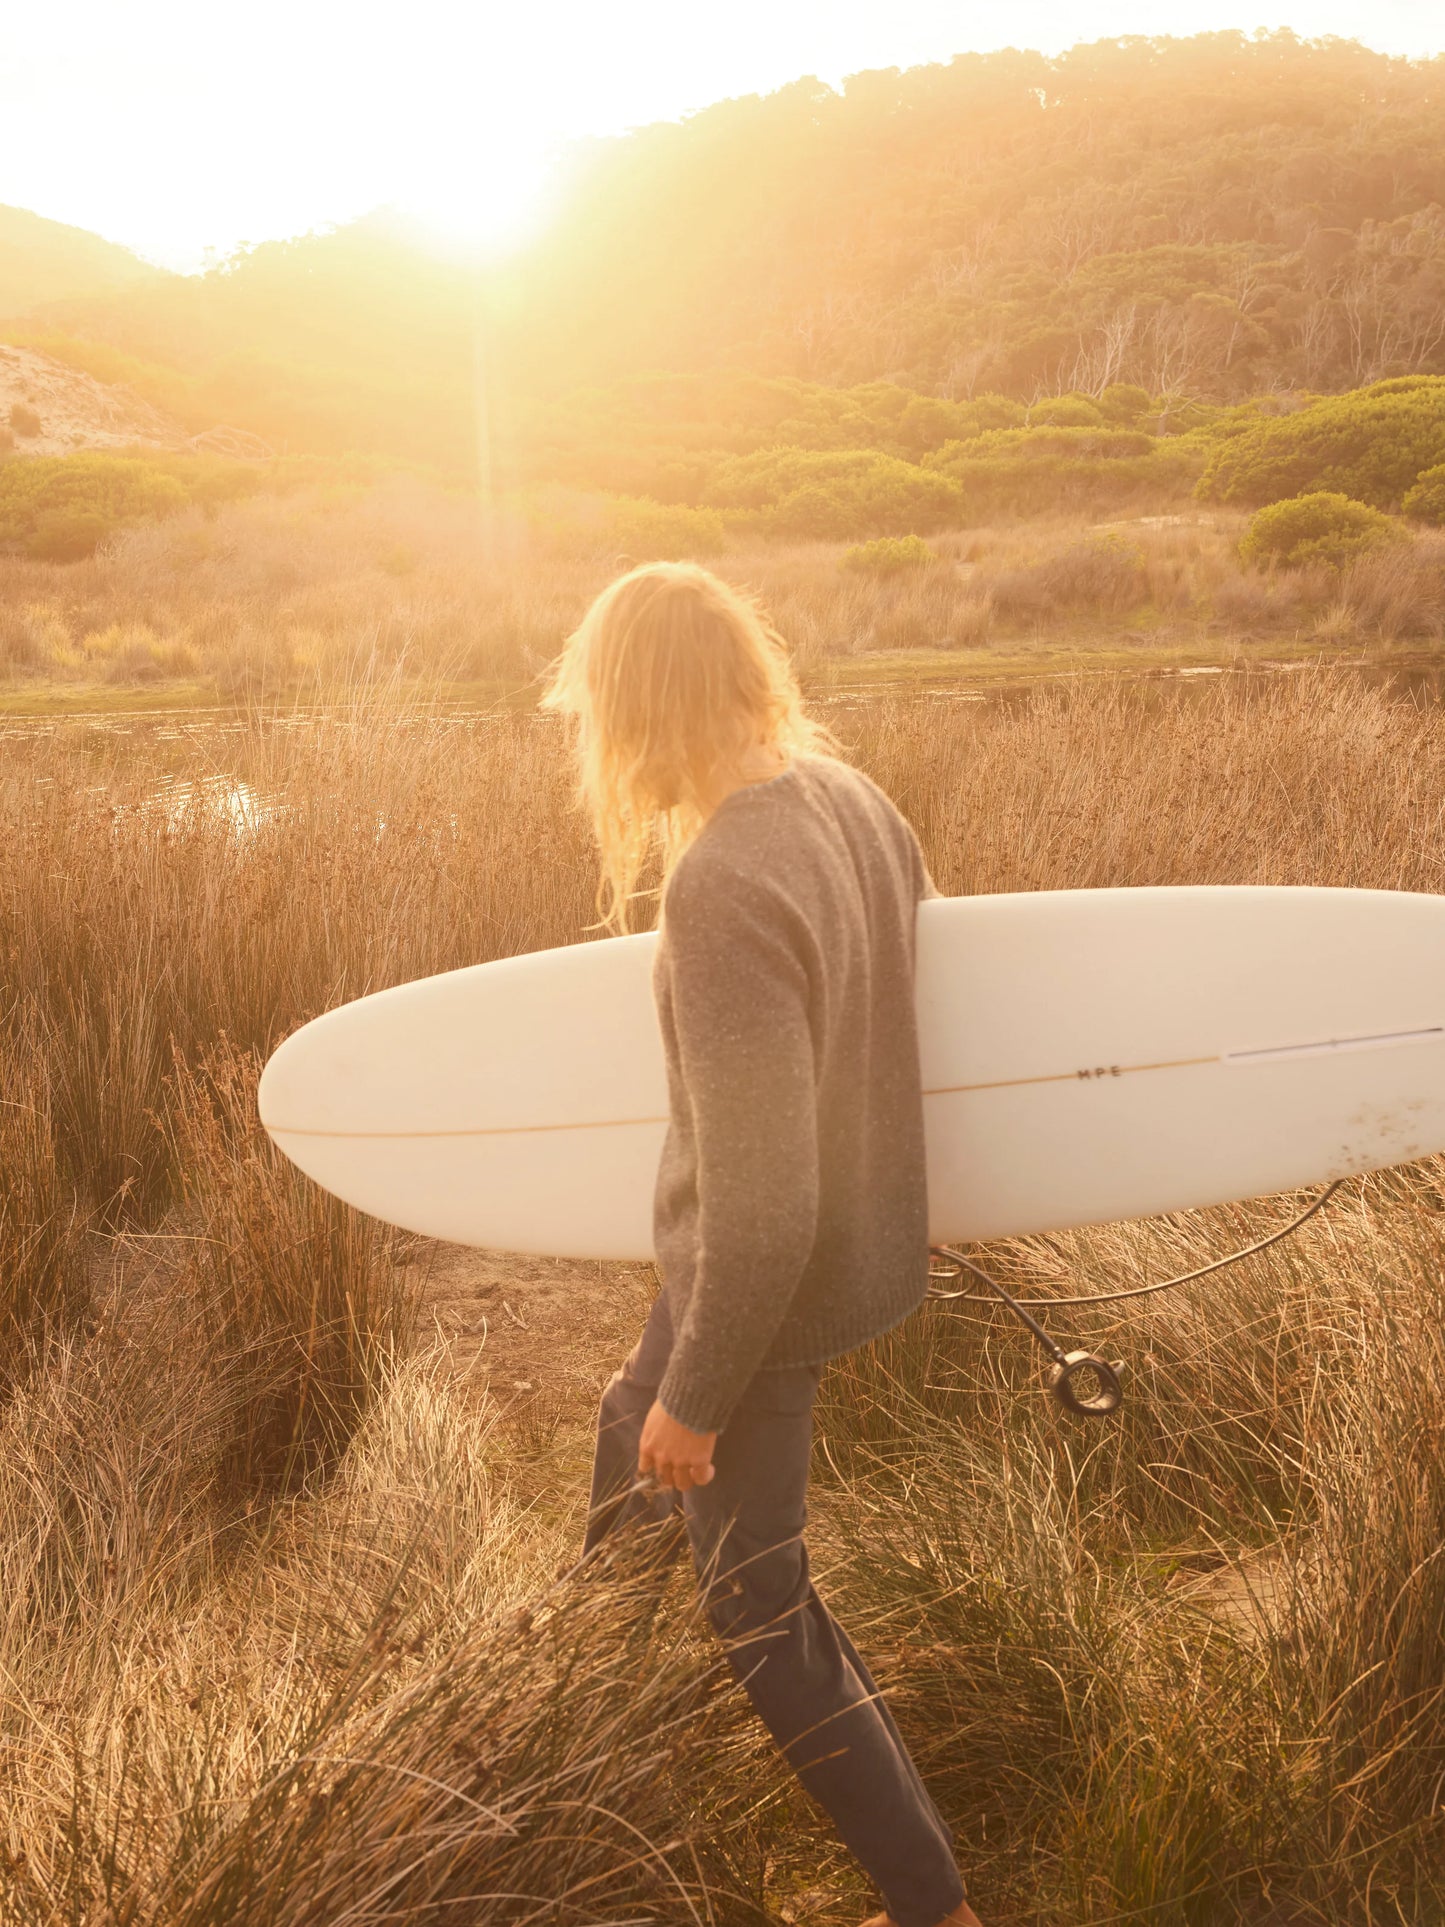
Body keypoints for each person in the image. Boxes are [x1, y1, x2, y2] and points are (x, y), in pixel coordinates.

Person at [543, 562, 983, 1927]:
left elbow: (766, 1202)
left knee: (755, 1610)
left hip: (764, 1293)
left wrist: (701, 1396)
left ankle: (934, 1909)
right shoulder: (848, 800)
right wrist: (661, 1397)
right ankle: (575, 1767)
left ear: (638, 711)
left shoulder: (724, 884)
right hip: (771, 1269)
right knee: (626, 1463)